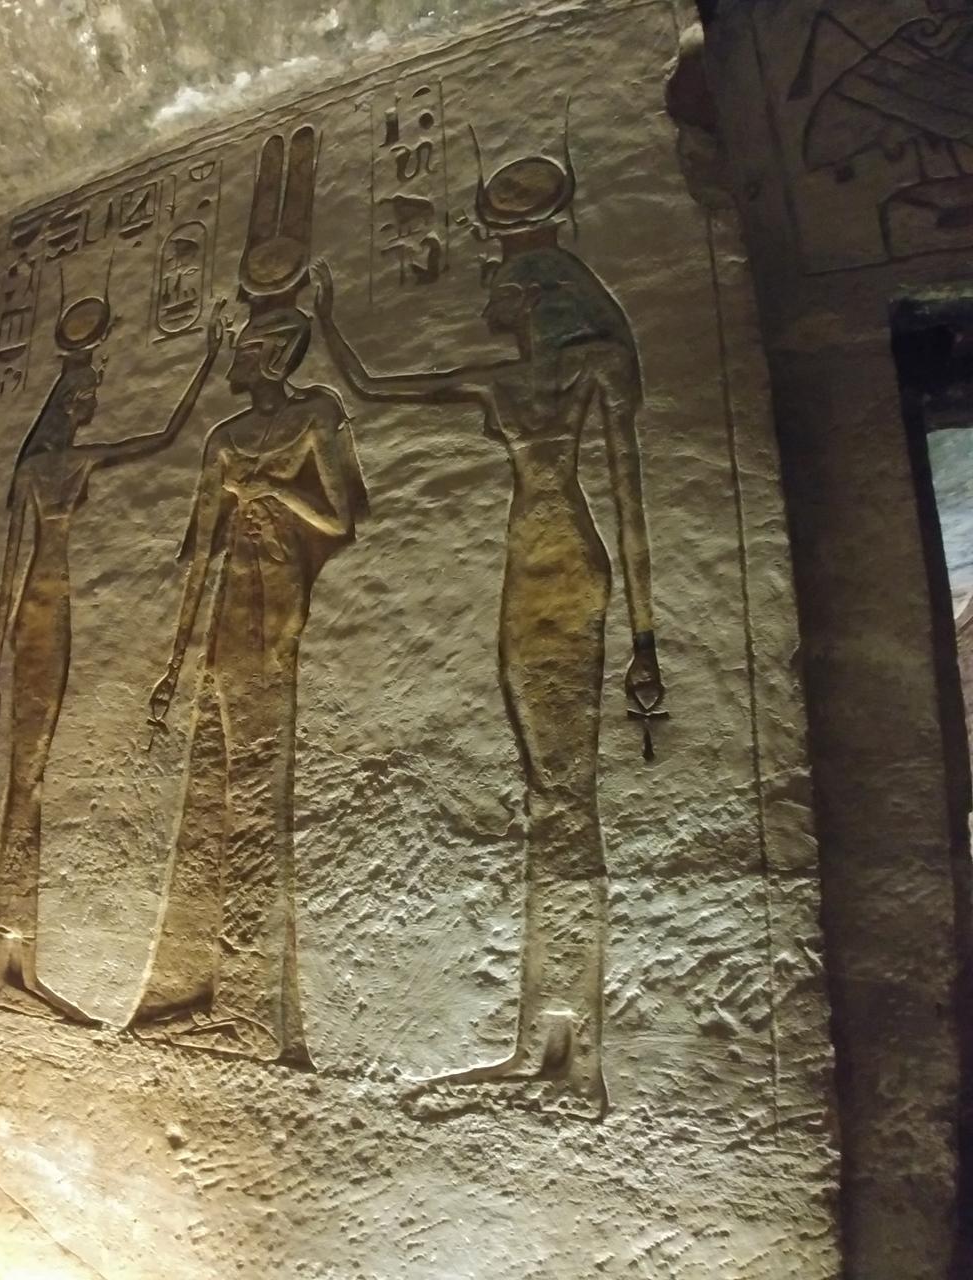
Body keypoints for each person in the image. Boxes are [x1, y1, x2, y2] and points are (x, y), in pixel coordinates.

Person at [309, 160, 663, 1114]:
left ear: (535, 292)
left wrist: (644, 638)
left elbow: (629, 493)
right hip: (530, 573)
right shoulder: (508, 380)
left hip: (568, 569)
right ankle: (540, 1045)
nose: (488, 300)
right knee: (548, 795)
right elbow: (375, 386)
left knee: (566, 797)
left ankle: (573, 1060)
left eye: (500, 286)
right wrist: (328, 322)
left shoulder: (591, 364)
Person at [128, 303, 367, 1066]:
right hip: (231, 607)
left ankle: (253, 1008)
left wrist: (271, 491)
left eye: (244, 348)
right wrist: (173, 661)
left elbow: (341, 519)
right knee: (215, 784)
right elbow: (201, 553)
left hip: (280, 599)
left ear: (271, 355)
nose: (234, 357)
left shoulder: (316, 415)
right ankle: (205, 992)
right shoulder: (224, 439)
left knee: (259, 785)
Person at [0, 300, 225, 1024]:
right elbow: (164, 437)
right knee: (27, 784)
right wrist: (207, 364)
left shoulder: (39, 465)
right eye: (85, 398)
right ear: (68, 406)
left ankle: (15, 968)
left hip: (41, 614)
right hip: (44, 618)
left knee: (28, 783)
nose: (90, 406)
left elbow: (5, 580)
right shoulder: (59, 464)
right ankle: (10, 970)